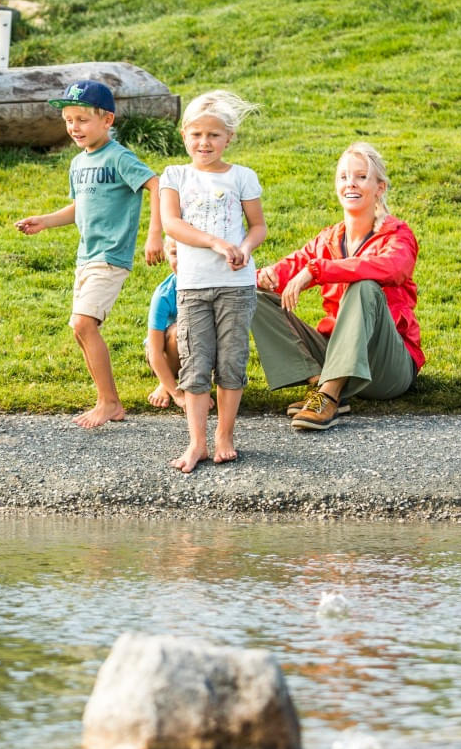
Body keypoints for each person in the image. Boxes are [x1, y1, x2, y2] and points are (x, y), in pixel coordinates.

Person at [15, 79, 163, 428]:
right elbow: (79, 207)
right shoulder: (79, 163)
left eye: (82, 119)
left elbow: (156, 185)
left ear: (107, 120)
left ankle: (109, 402)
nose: (74, 127)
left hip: (110, 256)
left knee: (84, 323)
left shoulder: (119, 157)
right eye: (68, 120)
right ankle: (108, 401)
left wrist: (155, 234)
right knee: (79, 329)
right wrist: (46, 221)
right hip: (86, 257)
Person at [253, 141, 423, 430]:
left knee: (365, 286)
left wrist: (318, 270)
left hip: (386, 368)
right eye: (343, 177)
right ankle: (321, 382)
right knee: (254, 296)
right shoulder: (329, 239)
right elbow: (290, 268)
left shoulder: (398, 235)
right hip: (335, 354)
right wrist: (265, 276)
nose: (350, 184)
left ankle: (328, 395)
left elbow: (394, 268)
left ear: (379, 188)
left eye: (360, 177)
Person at [160, 90, 266, 471]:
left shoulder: (243, 177)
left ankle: (224, 436)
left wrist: (245, 248)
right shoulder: (175, 176)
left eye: (214, 136)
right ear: (184, 135)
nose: (204, 143)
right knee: (195, 362)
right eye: (197, 135)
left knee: (232, 361)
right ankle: (196, 443)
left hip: (236, 286)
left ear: (229, 138)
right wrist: (216, 243)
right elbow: (173, 224)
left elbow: (258, 227)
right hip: (192, 285)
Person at [145, 236, 185, 409]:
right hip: (166, 353)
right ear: (167, 255)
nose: (182, 260)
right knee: (179, 330)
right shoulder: (164, 295)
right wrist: (179, 396)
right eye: (175, 253)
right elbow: (155, 351)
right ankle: (167, 383)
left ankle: (196, 384)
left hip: (200, 352)